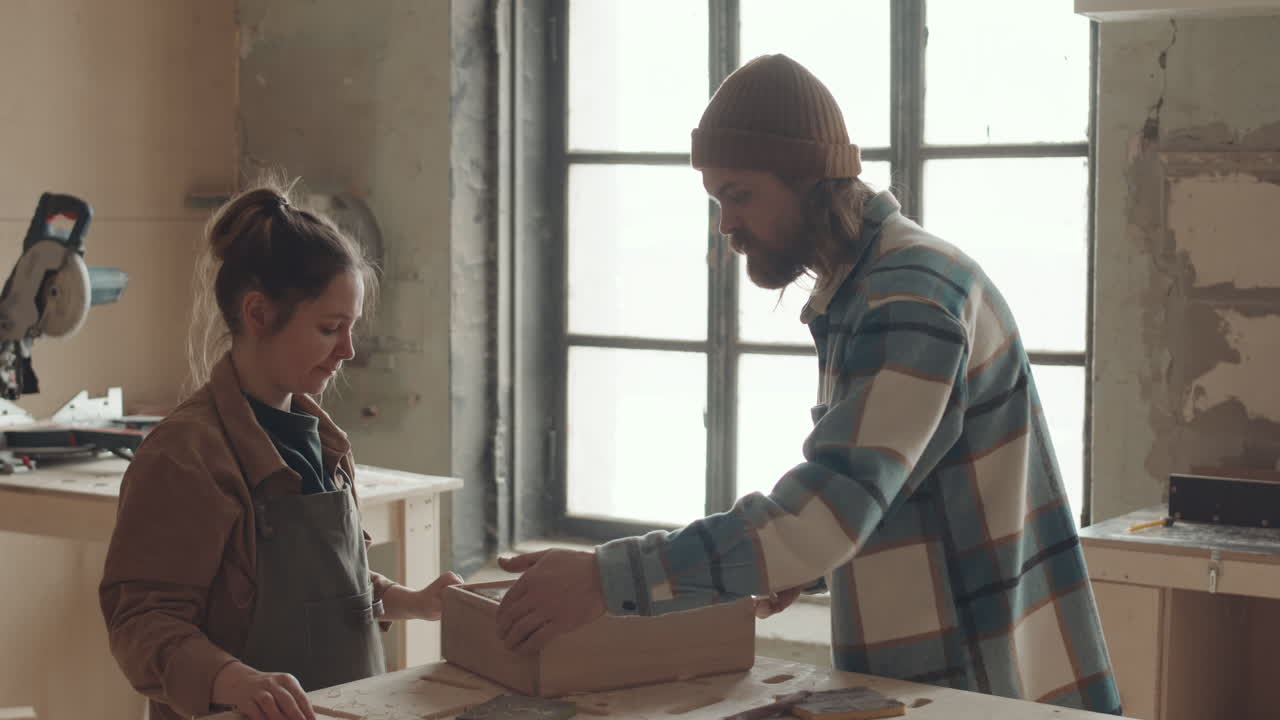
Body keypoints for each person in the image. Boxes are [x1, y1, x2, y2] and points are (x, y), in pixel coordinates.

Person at [494, 55, 1122, 715]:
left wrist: (606, 577)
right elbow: (894, 490)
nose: (725, 224)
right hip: (946, 678)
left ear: (809, 181)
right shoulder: (864, 288)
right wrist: (800, 560)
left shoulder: (909, 296)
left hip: (989, 683)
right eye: (716, 200)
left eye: (740, 195)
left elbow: (828, 510)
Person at [100, 184, 462, 720]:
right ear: (258, 313)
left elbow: (333, 593)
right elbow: (141, 623)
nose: (348, 351)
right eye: (330, 328)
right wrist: (235, 681)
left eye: (351, 329)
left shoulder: (324, 445)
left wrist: (417, 602)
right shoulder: (184, 456)